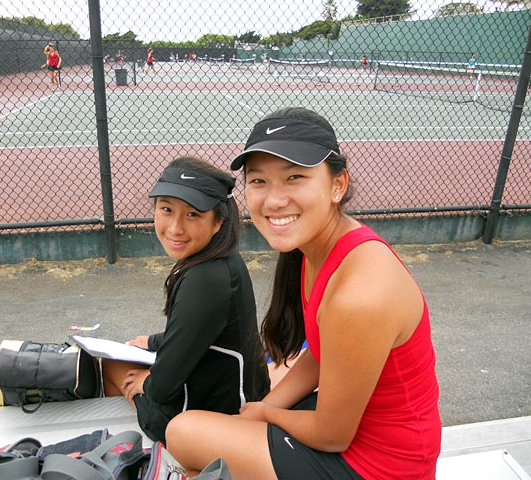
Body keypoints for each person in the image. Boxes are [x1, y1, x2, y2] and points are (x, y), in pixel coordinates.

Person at [166, 107, 442, 479]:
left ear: (337, 185)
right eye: (259, 181)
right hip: (366, 441)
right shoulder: (323, 248)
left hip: (380, 466)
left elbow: (331, 436)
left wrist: (265, 414)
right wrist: (263, 408)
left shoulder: (358, 295)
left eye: (294, 177)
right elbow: (320, 353)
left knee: (182, 432)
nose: (274, 200)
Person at [104, 156, 271, 445]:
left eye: (192, 215)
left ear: (218, 222)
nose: (175, 228)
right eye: (166, 210)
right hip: (236, 398)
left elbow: (162, 388)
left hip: (211, 420)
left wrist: (145, 381)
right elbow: (202, 332)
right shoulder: (222, 260)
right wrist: (154, 342)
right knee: (132, 351)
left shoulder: (204, 279)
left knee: (108, 367)